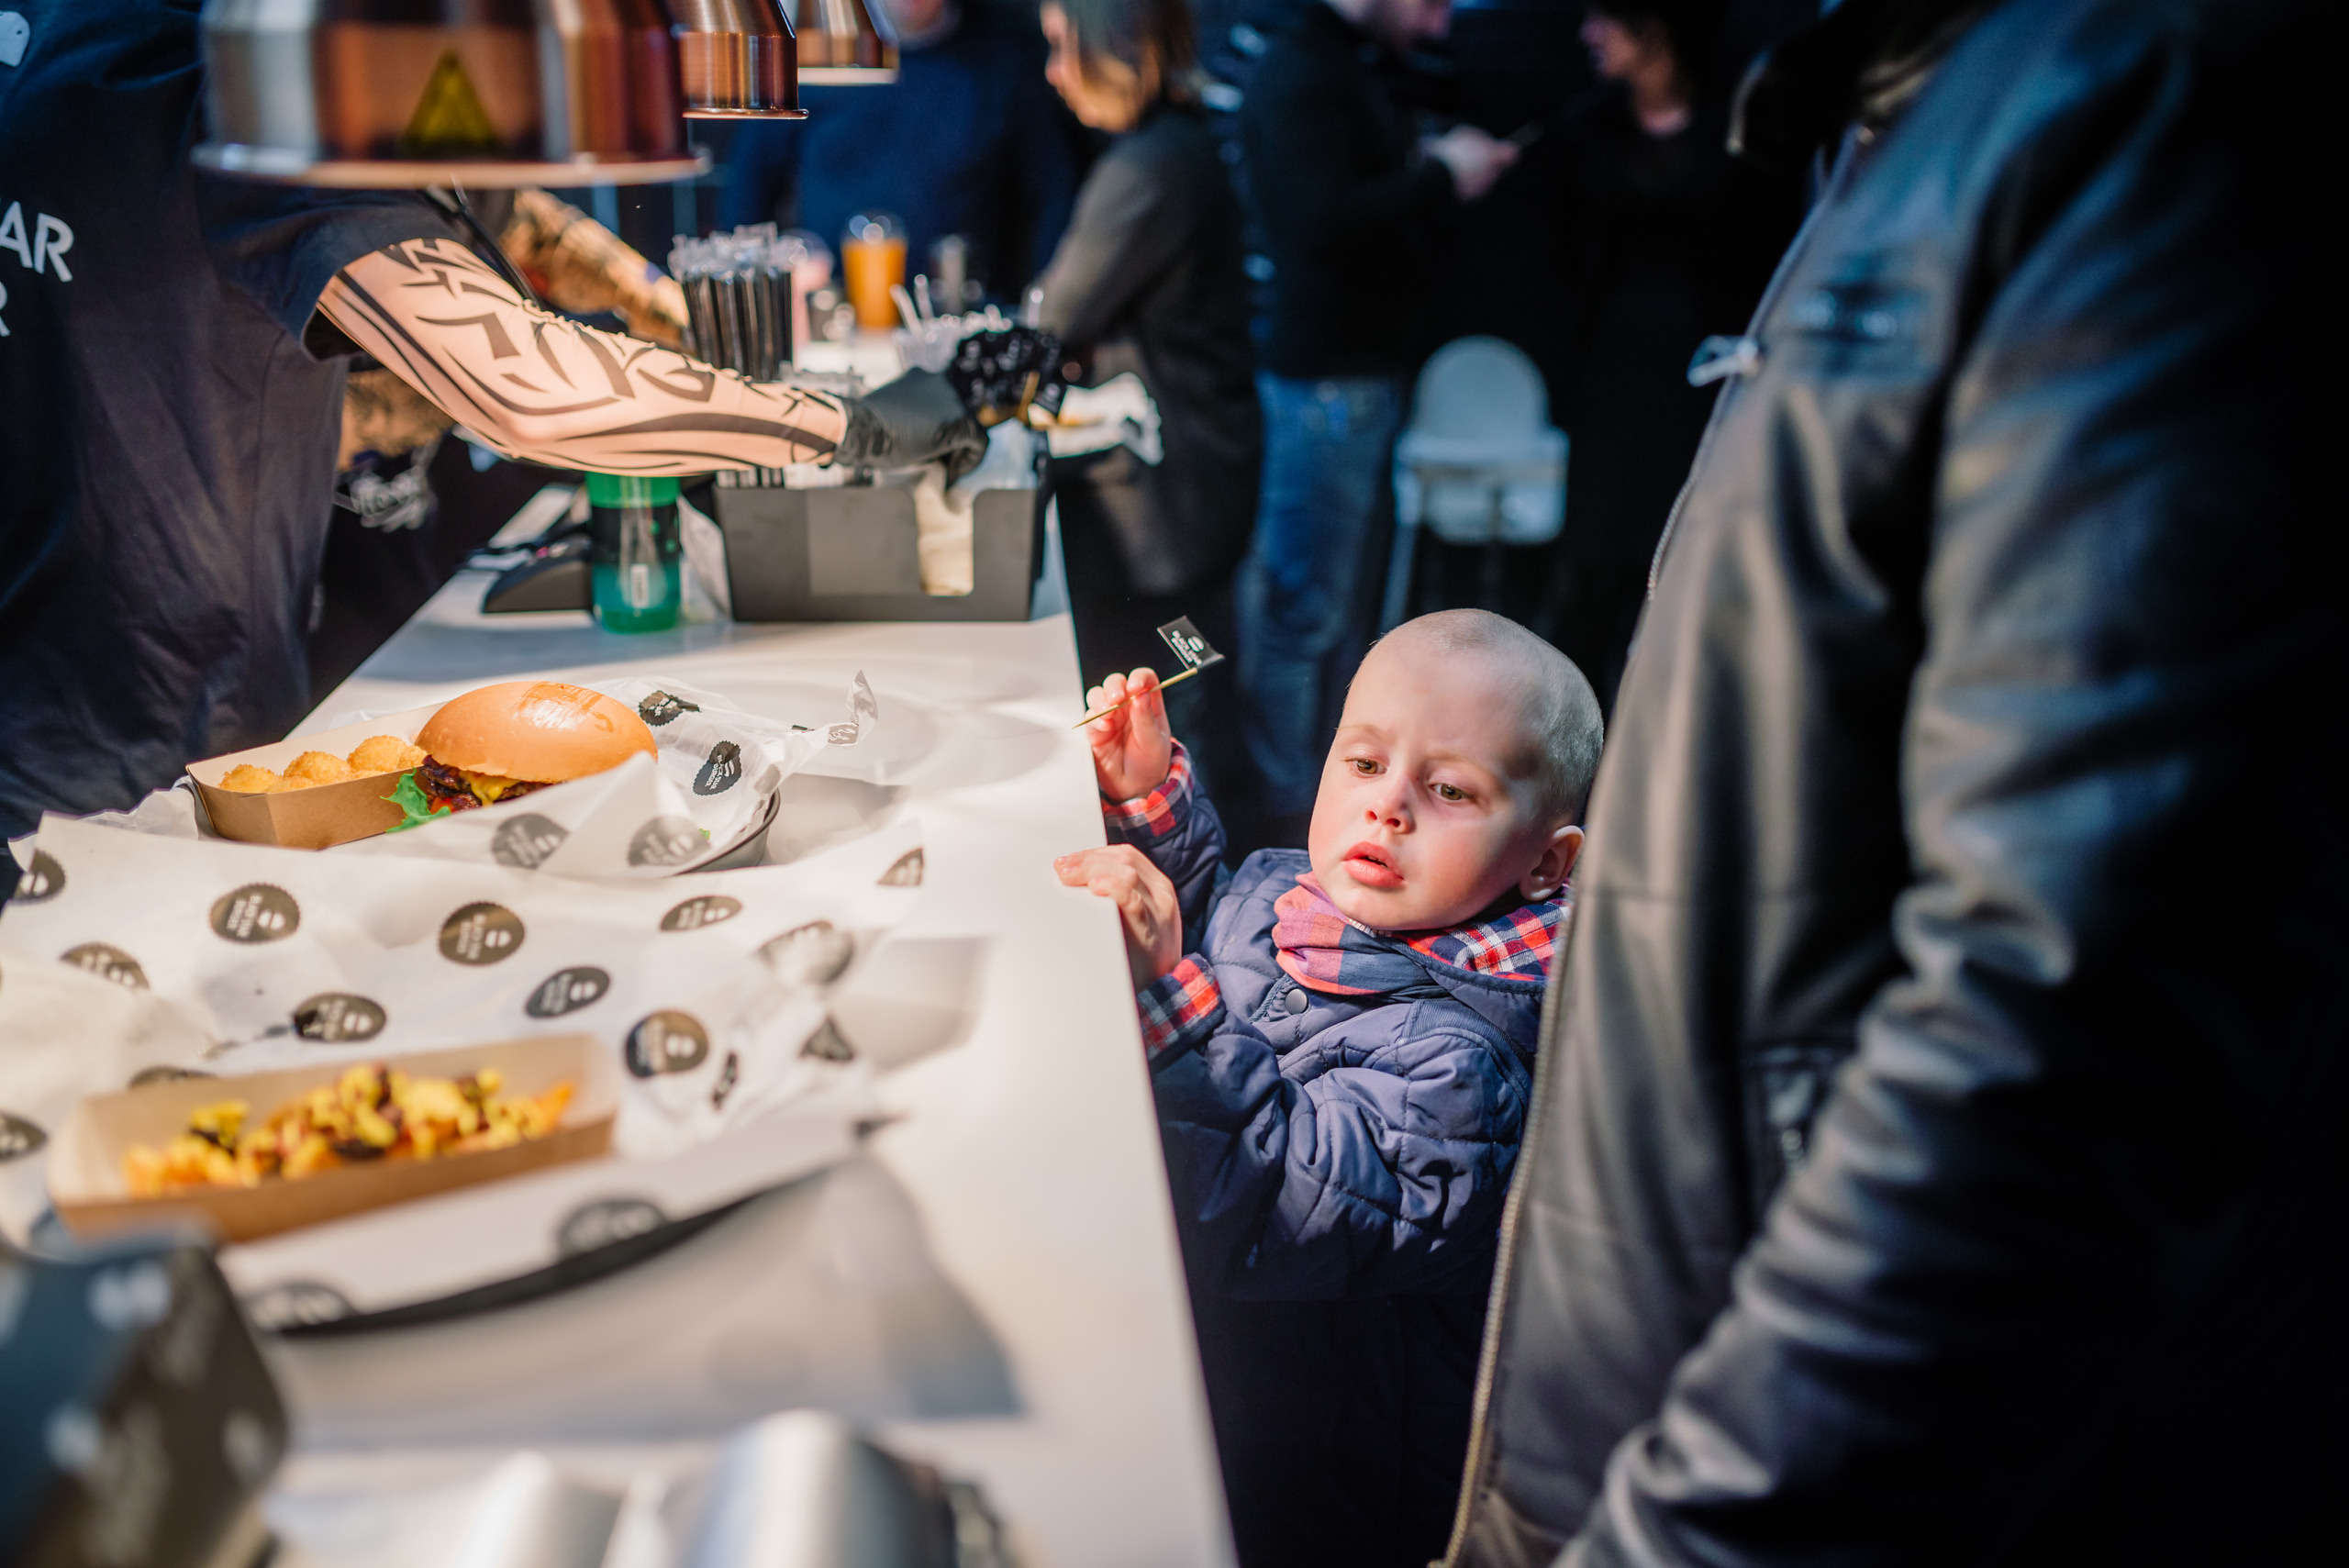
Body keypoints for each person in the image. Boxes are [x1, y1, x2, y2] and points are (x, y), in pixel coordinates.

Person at [1443, 1, 2342, 1564]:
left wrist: (1675, 1529)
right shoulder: (1906, 114)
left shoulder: (2124, 104)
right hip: (1644, 1394)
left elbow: (2065, 1039)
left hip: (1735, 1465)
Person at [0, 0, 1001, 840]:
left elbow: (496, 219)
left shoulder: (64, 33)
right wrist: (849, 420)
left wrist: (675, 314)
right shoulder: (241, 79)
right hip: (144, 764)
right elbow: (524, 383)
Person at [1056, 609, 1603, 1568]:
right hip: (1203, 1369)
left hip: (1306, 1472)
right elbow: (1223, 935)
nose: (1388, 806)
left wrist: (1165, 986)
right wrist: (1150, 802)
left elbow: (1260, 1199)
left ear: (1546, 862)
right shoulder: (1288, 890)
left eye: (1448, 789)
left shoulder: (1465, 1079)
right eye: (1363, 764)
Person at [1235, 0, 1521, 842]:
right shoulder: (1301, 69)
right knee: (1303, 614)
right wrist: (1439, 176)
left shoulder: (1341, 62)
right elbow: (1314, 221)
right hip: (1324, 385)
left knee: (1336, 614)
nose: (1439, 24)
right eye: (1430, 1)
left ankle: (1313, 796)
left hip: (1353, 382)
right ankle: (1287, 818)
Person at [1538, 0, 1794, 706]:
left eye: (1605, 19)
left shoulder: (1736, 129)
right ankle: (1576, 743)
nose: (1588, 34)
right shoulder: (1586, 126)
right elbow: (1560, 257)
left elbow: (1764, 250)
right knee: (1594, 560)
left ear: (1656, 25)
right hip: (1609, 371)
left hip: (1699, 373)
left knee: (1681, 553)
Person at [1031, 0, 1260, 784]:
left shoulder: (1148, 166)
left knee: (1179, 701)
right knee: (1197, 684)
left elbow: (1057, 315)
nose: (1054, 71)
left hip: (1173, 501)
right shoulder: (1176, 144)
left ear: (1112, 47)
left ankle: (1211, 887)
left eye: (1063, 48)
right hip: (1206, 473)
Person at [719, 0, 1081, 306]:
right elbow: (748, 183)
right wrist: (751, 294)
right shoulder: (812, 57)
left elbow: (1054, 188)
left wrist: (1045, 302)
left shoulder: (1004, 63)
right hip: (832, 320)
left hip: (959, 317)